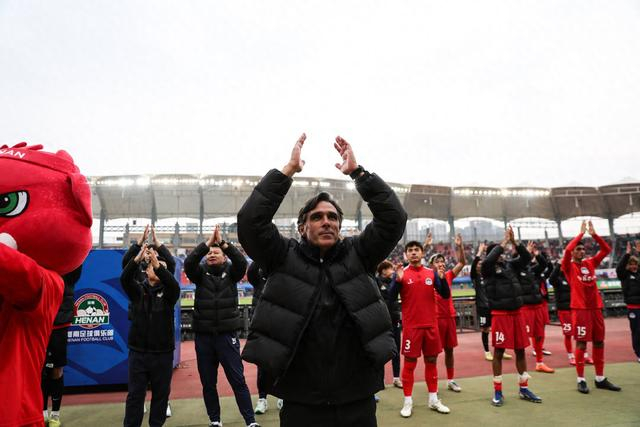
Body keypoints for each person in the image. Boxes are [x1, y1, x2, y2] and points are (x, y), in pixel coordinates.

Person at [237, 134, 406, 427]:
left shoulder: (359, 254)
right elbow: (250, 222)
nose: (326, 221)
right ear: (302, 227)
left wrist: (359, 174)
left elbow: (394, 219)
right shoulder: (282, 256)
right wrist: (287, 171)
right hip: (301, 399)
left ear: (340, 226)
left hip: (357, 396)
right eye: (317, 217)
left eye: (332, 217)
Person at [184, 226, 258, 427]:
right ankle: (215, 420)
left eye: (216, 252)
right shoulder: (199, 274)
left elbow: (241, 262)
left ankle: (250, 421)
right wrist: (207, 243)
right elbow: (189, 263)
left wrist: (224, 243)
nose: (211, 254)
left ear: (225, 257)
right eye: (209, 253)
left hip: (227, 336)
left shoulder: (232, 273)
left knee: (237, 380)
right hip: (204, 337)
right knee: (208, 383)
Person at [121, 245, 180, 427]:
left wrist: (158, 264)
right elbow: (125, 278)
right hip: (138, 353)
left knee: (161, 395)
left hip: (163, 354)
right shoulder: (137, 291)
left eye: (161, 267)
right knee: (135, 396)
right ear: (146, 271)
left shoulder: (170, 294)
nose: (157, 267)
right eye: (153, 266)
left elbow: (173, 284)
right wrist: (136, 259)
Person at [482, 226, 542, 407]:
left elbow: (526, 258)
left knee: (520, 350)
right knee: (499, 352)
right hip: (500, 315)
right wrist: (503, 243)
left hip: (517, 314)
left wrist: (515, 242)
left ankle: (524, 388)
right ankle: (498, 391)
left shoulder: (510, 265)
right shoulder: (487, 268)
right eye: (496, 252)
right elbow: (489, 259)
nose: (500, 254)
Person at [390, 240, 451, 417]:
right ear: (406, 254)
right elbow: (390, 298)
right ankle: (407, 402)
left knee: (431, 361)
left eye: (417, 250)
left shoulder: (431, 273)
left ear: (422, 253)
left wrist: (442, 279)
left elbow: (445, 295)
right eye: (410, 250)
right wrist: (397, 281)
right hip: (412, 327)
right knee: (410, 364)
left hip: (431, 325)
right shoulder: (402, 273)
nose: (414, 252)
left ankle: (433, 399)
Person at [561, 220, 620, 394]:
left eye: (582, 249)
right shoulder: (568, 266)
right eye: (578, 249)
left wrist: (594, 235)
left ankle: (600, 378)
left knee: (599, 342)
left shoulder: (590, 263)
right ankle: (581, 379)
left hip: (596, 309)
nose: (581, 251)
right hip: (580, 310)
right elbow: (567, 251)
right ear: (573, 252)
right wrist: (580, 234)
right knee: (581, 343)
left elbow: (606, 250)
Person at [42, 265, 83, 427]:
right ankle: (42, 413)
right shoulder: (42, 265)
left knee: (56, 370)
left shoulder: (69, 269)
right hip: (40, 324)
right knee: (41, 370)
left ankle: (55, 414)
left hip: (59, 325)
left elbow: (77, 261)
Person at [429, 233, 465, 393]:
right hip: (435, 319)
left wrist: (460, 246)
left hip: (449, 317)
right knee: (434, 353)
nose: (441, 263)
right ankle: (433, 382)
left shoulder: (449, 275)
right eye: (437, 261)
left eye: (442, 261)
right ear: (431, 265)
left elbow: (462, 262)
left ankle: (451, 380)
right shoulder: (428, 277)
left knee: (449, 350)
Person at [247, 262, 283, 414]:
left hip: (281, 326)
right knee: (262, 365)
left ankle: (282, 396)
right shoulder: (258, 279)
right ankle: (262, 398)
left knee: (282, 363)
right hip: (262, 327)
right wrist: (260, 255)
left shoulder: (283, 278)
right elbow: (251, 271)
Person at [471, 243, 513, 362]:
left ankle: (501, 349)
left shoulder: (489, 274)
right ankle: (487, 352)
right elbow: (474, 265)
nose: (480, 265)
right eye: (478, 264)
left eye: (481, 264)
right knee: (485, 329)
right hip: (482, 307)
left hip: (493, 306)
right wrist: (479, 252)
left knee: (498, 328)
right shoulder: (475, 277)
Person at [518, 241, 554, 373]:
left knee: (539, 335)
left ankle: (539, 363)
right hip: (525, 308)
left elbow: (544, 265)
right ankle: (521, 368)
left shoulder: (533, 270)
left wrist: (537, 254)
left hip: (537, 306)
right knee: (522, 337)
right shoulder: (515, 271)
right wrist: (526, 252)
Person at [376, 260, 402, 389]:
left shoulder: (395, 281)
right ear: (383, 270)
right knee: (381, 351)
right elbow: (387, 294)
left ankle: (396, 378)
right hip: (381, 321)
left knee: (396, 350)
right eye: (390, 268)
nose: (392, 271)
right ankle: (380, 380)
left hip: (395, 319)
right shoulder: (376, 281)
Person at [549, 262, 577, 365]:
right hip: (564, 310)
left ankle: (584, 355)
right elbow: (551, 279)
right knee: (568, 334)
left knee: (580, 333)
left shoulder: (571, 277)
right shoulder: (557, 279)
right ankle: (571, 356)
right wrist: (558, 265)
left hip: (575, 309)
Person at [617, 241, 640, 362]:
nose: (633, 266)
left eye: (635, 264)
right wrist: (627, 254)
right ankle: (639, 353)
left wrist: (639, 253)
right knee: (637, 331)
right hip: (633, 308)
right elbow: (619, 268)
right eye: (631, 264)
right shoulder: (624, 275)